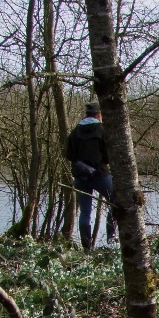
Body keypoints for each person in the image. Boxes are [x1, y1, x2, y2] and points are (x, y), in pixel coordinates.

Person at [65, 99, 116, 249]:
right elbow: (108, 155)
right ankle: (111, 238)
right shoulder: (102, 130)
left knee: (85, 212)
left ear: (87, 114)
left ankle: (87, 248)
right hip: (100, 175)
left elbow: (68, 154)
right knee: (116, 201)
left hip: (81, 177)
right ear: (99, 114)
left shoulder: (75, 131)